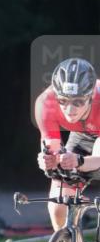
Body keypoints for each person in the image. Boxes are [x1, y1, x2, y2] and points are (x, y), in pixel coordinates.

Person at [35, 58, 100, 228]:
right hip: (82, 135)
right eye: (63, 100)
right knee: (57, 207)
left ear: (91, 95)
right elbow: (53, 150)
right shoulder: (46, 103)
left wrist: (79, 161)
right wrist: (49, 161)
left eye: (78, 101)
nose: (70, 110)